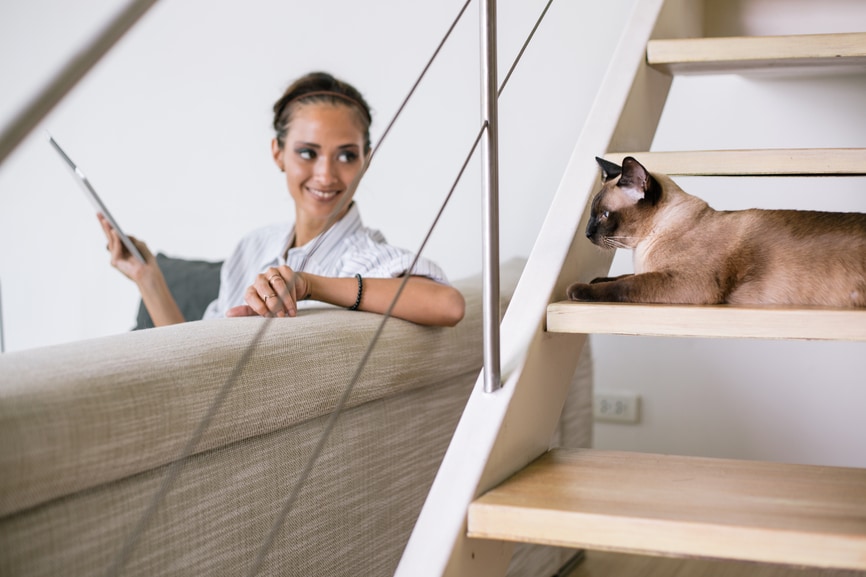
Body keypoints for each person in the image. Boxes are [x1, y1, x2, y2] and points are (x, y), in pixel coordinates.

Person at [101, 71, 465, 327]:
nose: (325, 175)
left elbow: (448, 305)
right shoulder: (252, 247)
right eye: (308, 153)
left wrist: (310, 284)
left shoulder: (365, 256)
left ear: (365, 160)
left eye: (346, 155)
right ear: (278, 154)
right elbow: (195, 362)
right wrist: (147, 278)